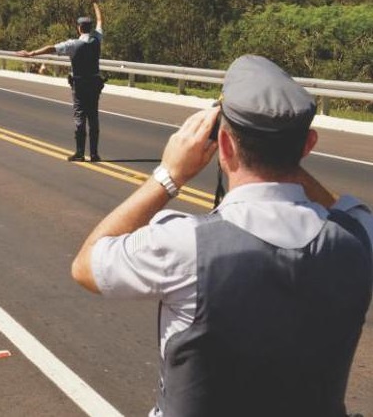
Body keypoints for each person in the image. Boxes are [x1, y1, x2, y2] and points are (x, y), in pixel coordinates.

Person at [71, 55, 373, 417]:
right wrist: (286, 158)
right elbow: (346, 210)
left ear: (224, 145)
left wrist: (168, 176)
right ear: (308, 145)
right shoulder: (359, 238)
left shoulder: (184, 245)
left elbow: (86, 265)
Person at [17, 0, 105, 162]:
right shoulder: (97, 40)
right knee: (93, 117)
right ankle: (94, 154)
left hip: (80, 85)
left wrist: (32, 53)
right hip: (94, 84)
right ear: (89, 28)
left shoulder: (73, 44)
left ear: (79, 28)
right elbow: (100, 21)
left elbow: (52, 48)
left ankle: (80, 153)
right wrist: (95, 2)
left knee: (80, 116)